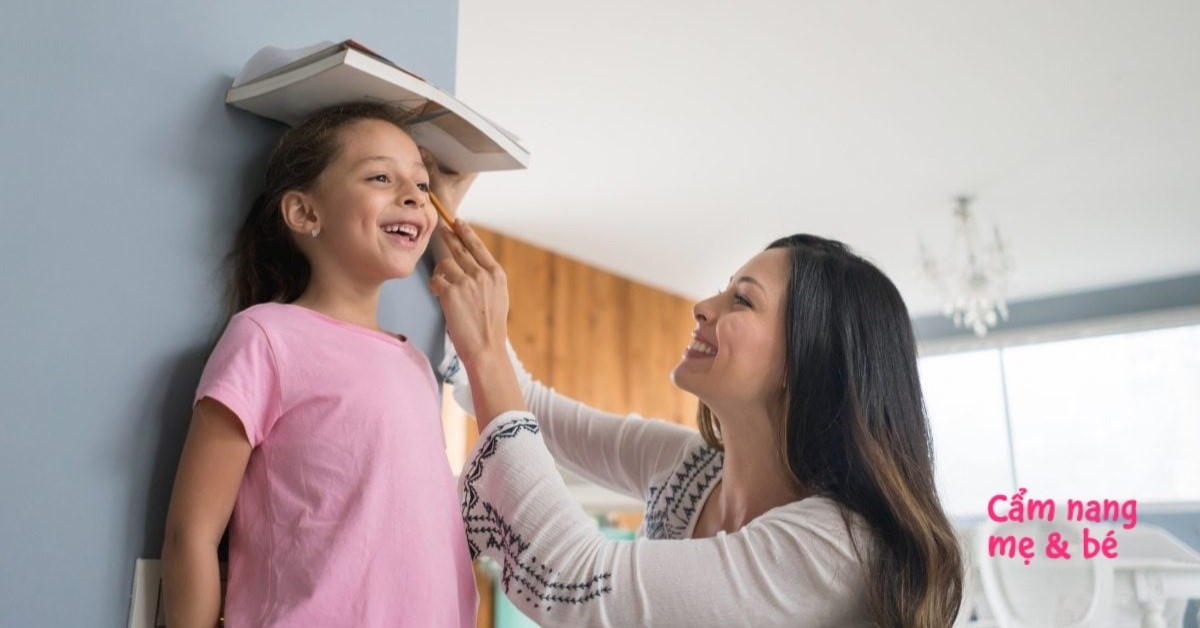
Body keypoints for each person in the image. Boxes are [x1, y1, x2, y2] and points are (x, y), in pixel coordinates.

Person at [430, 220, 964, 627]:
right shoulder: (689, 468)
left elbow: (575, 582)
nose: (703, 307)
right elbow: (533, 408)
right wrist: (438, 220)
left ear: (807, 361)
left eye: (742, 300)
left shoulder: (836, 548)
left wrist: (487, 351)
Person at [161, 102, 478, 627]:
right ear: (305, 214)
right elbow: (191, 534)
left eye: (422, 186)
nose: (414, 197)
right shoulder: (266, 338)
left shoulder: (417, 364)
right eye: (381, 177)